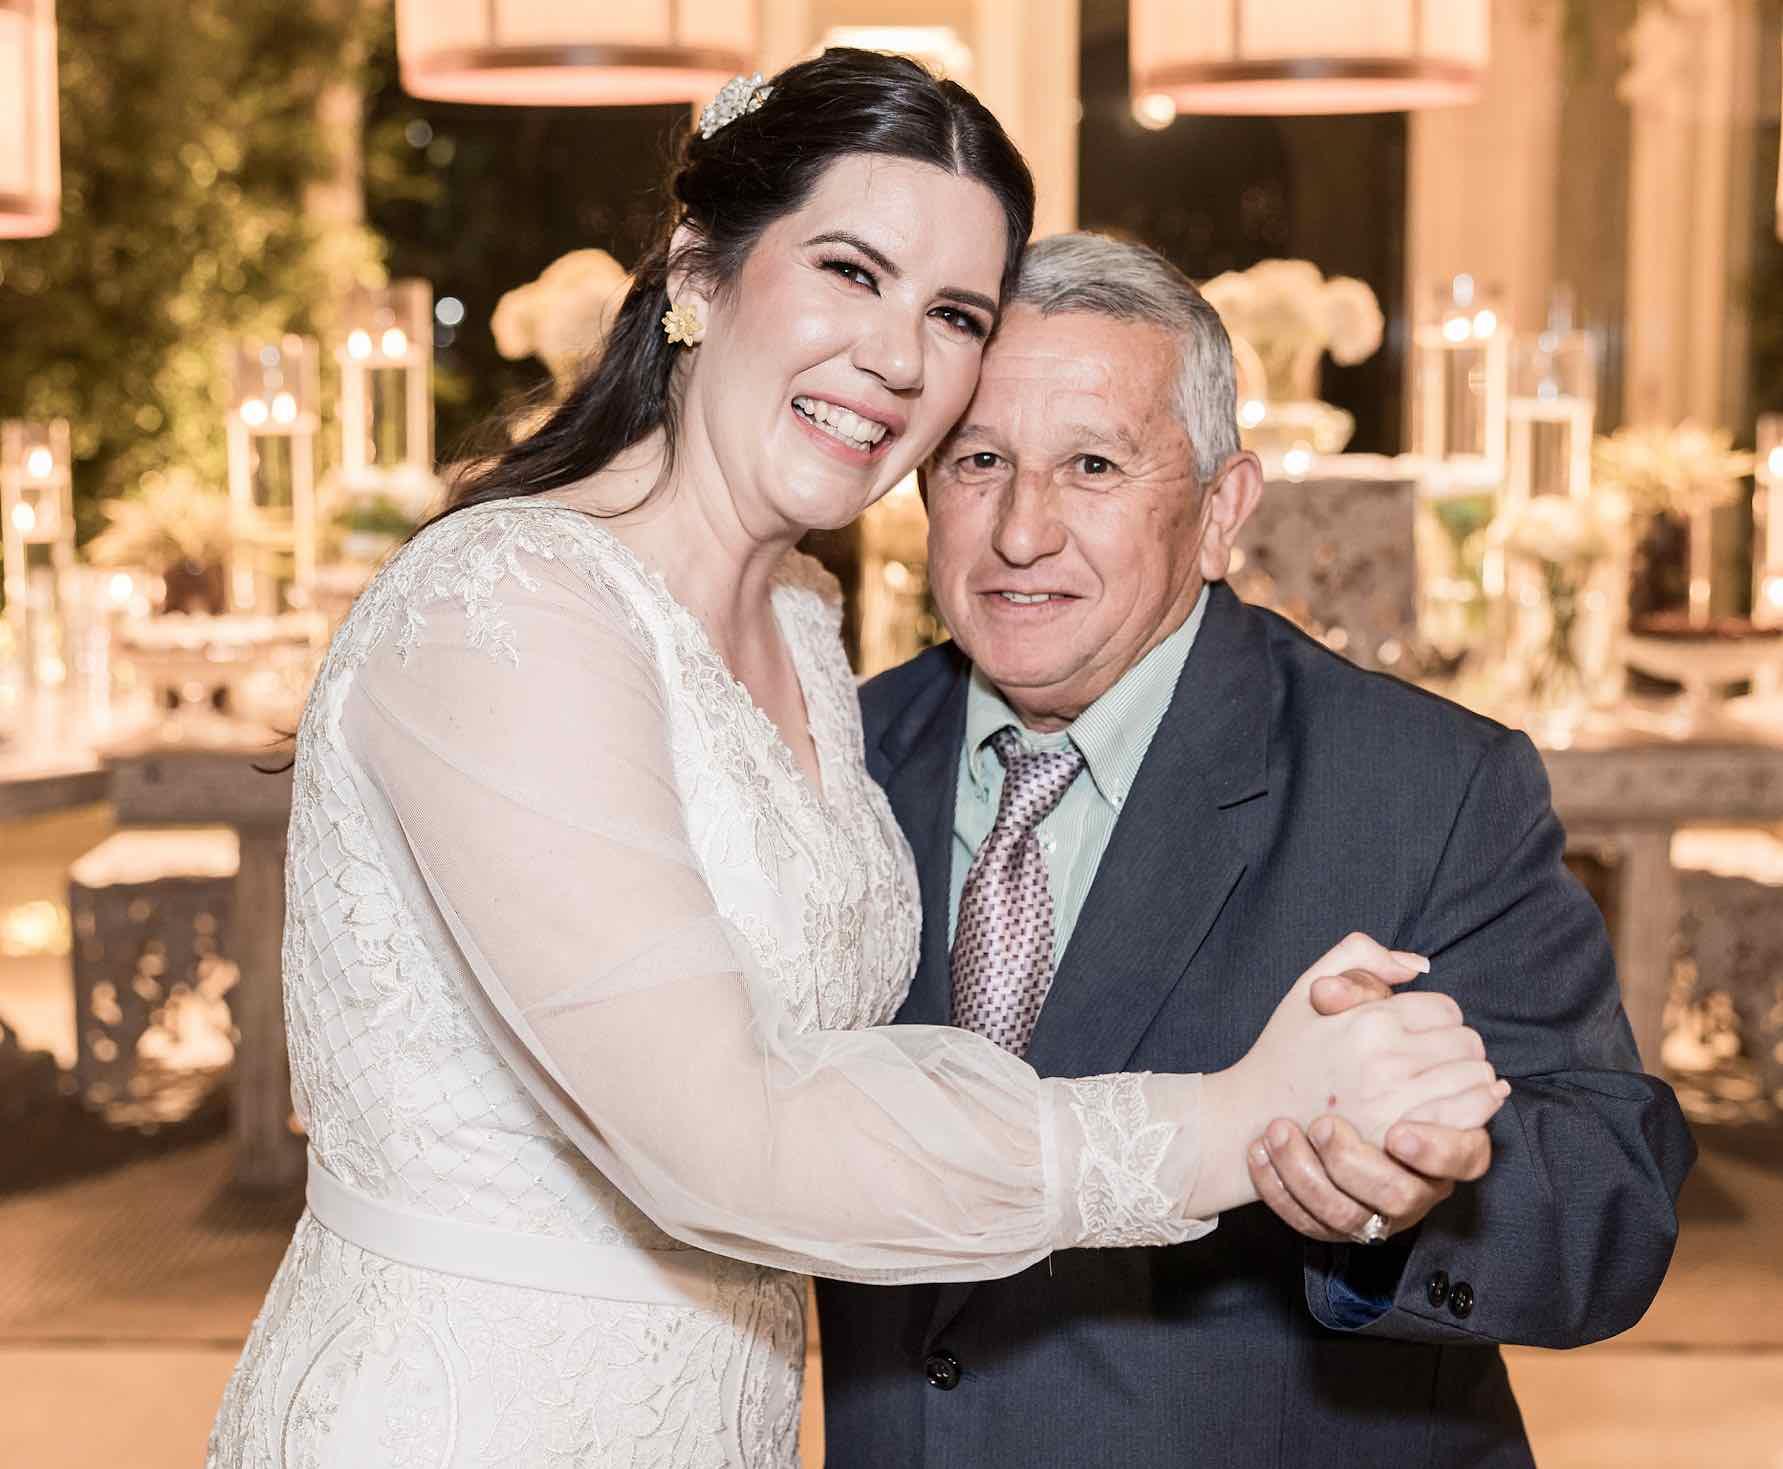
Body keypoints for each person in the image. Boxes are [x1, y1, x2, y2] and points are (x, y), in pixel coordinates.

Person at [204, 54, 1505, 1468]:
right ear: (697, 275)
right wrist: (1227, 1118)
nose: (898, 357)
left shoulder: (802, 623)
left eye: (952, 314)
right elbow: (718, 1141)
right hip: (471, 1417)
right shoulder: (506, 607)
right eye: (850, 271)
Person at [814, 232, 1698, 1469]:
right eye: (979, 460)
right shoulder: (836, 753)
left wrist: (1411, 1204)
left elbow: (1610, 1205)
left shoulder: (1426, 784)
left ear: (1221, 509)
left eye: (1092, 464)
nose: (1020, 530)